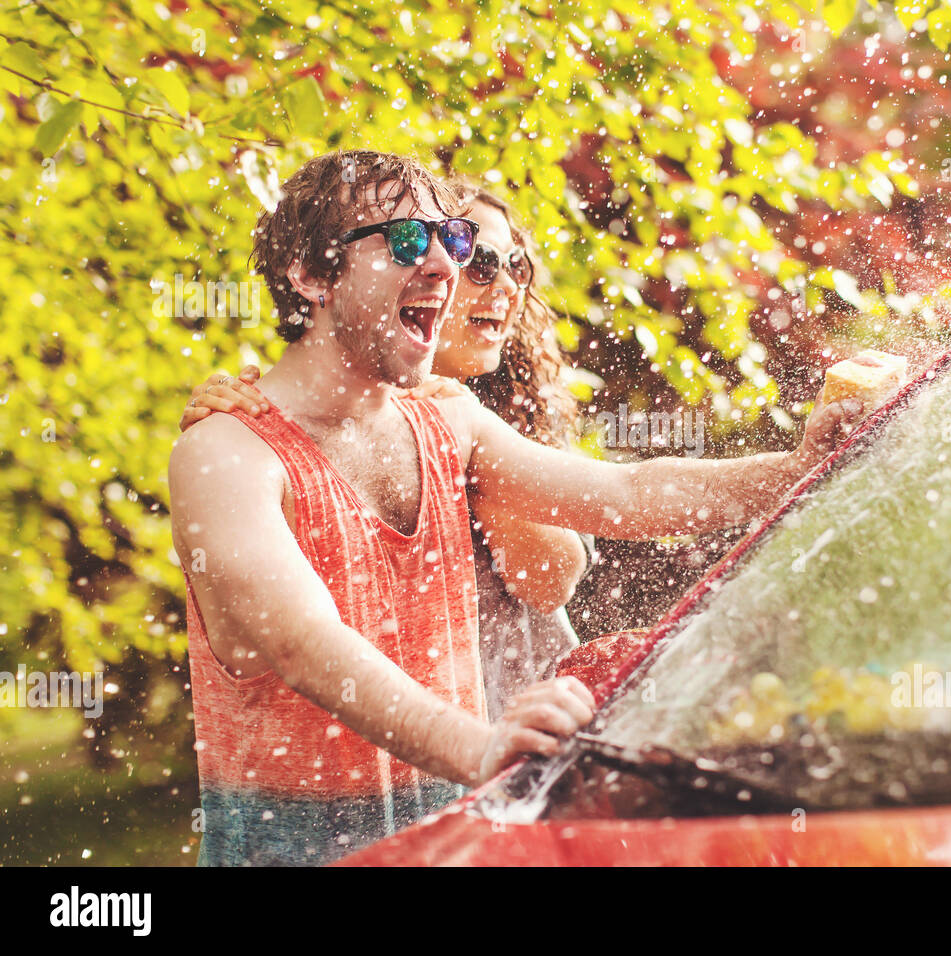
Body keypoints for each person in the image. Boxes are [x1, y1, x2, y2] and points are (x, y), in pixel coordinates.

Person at [169, 149, 867, 866]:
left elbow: (629, 494)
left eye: (453, 239)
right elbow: (302, 642)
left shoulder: (449, 422)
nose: (443, 264)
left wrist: (799, 468)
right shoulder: (225, 454)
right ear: (310, 275)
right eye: (408, 239)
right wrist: (483, 745)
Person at [182, 182, 590, 722]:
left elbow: (550, 579)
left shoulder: (499, 411)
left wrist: (455, 431)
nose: (508, 286)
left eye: (517, 265)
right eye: (483, 263)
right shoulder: (305, 417)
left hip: (536, 722)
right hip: (390, 742)